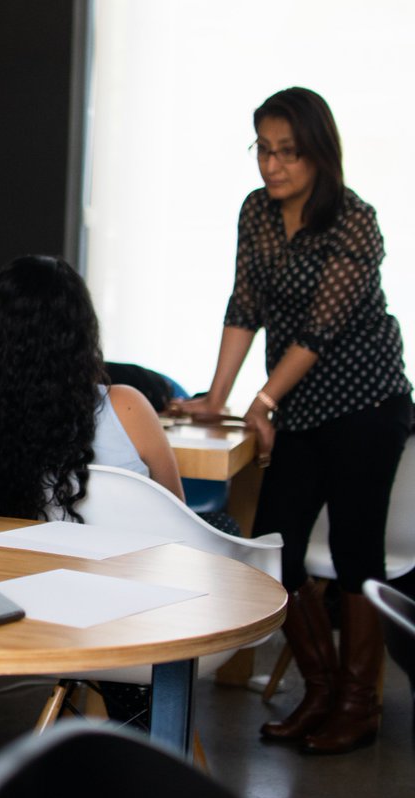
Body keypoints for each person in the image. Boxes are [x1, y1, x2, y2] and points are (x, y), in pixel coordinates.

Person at [176, 87, 412, 755]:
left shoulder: (353, 221)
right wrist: (218, 397)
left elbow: (318, 328)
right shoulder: (256, 212)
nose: (272, 166)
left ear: (319, 155)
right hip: (300, 404)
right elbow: (244, 303)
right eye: (264, 149)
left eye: (288, 153)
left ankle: (359, 704)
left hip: (366, 403)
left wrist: (264, 401)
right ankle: (320, 691)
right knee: (275, 549)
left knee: (356, 552)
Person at [0, 254, 183, 522]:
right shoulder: (128, 408)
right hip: (131, 562)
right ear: (80, 338)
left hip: (9, 563)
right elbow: (178, 520)